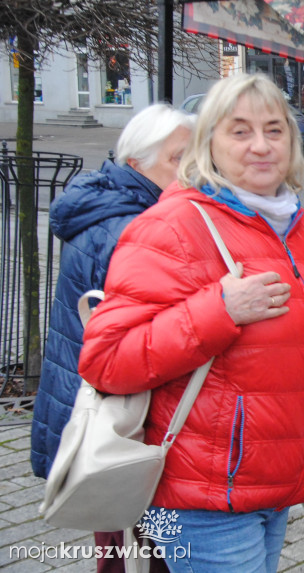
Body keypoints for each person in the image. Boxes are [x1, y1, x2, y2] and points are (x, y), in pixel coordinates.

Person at [79, 73, 304, 572]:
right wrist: (220, 311)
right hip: (203, 498)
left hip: (275, 486)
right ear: (209, 142)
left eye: (274, 130)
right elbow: (107, 361)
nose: (261, 146)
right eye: (240, 131)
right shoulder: (173, 227)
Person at [31, 104, 194, 572]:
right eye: (178, 159)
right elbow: (148, 340)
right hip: (124, 418)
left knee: (121, 537)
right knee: (142, 544)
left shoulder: (111, 205)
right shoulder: (132, 228)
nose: (192, 171)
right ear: (135, 163)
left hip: (98, 405)